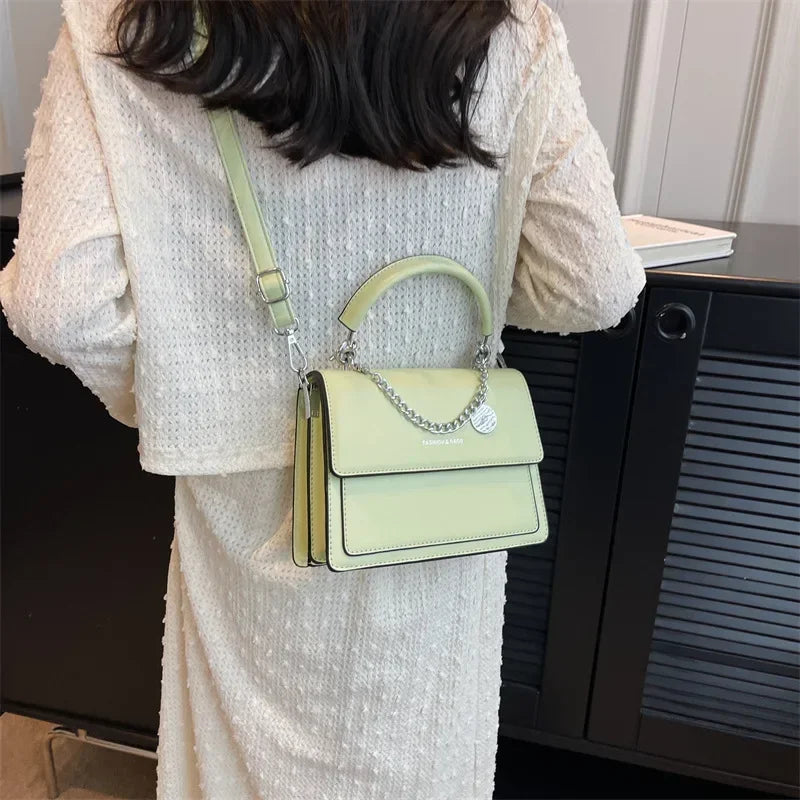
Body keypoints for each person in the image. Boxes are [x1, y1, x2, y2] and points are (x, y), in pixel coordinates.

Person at [0, 0, 645, 797]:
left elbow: (57, 306)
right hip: (441, 468)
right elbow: (592, 284)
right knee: (421, 756)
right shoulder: (511, 29)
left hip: (241, 499)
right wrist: (445, 323)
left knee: (244, 761)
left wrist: (188, 389)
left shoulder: (122, 22)